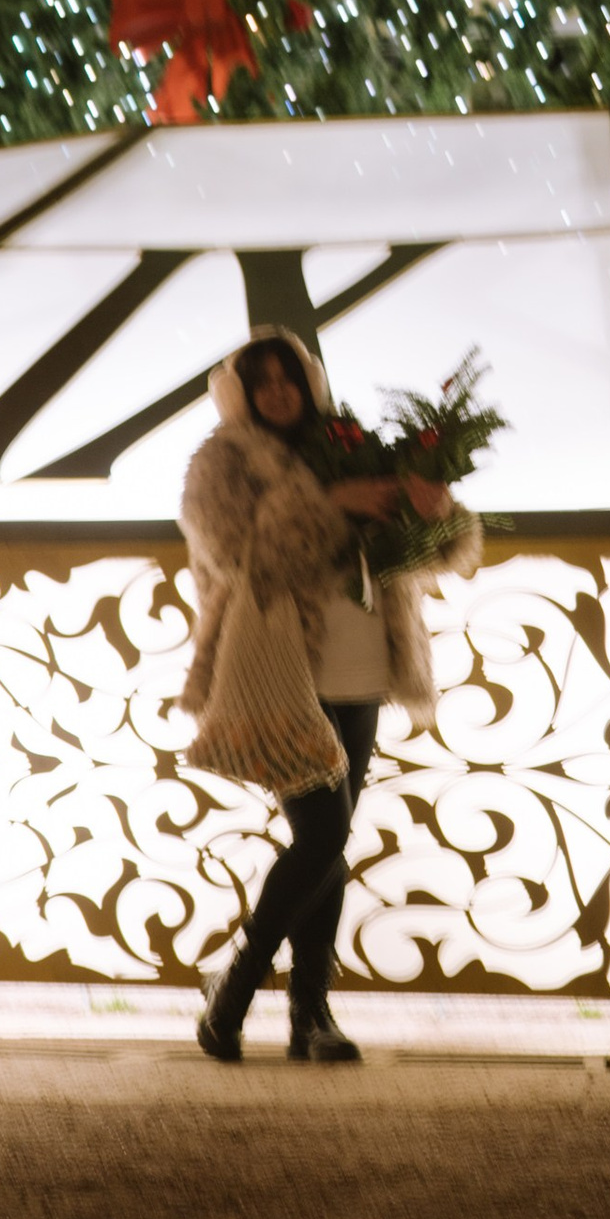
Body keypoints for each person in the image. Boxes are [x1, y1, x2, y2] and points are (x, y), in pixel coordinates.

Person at [178, 325, 478, 1064]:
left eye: (288, 377)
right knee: (321, 836)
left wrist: (433, 510)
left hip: (362, 661)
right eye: (262, 382)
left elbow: (432, 548)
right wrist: (326, 499)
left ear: (308, 382)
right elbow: (238, 555)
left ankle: (309, 1014)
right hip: (283, 668)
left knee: (328, 843)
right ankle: (237, 984)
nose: (278, 391)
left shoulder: (351, 441)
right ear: (241, 393)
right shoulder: (221, 461)